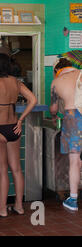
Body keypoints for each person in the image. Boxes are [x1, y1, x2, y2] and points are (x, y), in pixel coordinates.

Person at [0, 53, 37, 218]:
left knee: (2, 170)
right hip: (14, 128)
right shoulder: (16, 83)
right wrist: (21, 119)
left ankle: (1, 208)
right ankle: (19, 206)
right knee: (17, 169)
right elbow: (33, 100)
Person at [50, 58, 81, 212]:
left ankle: (73, 199)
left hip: (72, 118)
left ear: (57, 71)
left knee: (74, 160)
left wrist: (54, 117)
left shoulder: (56, 83)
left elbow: (54, 109)